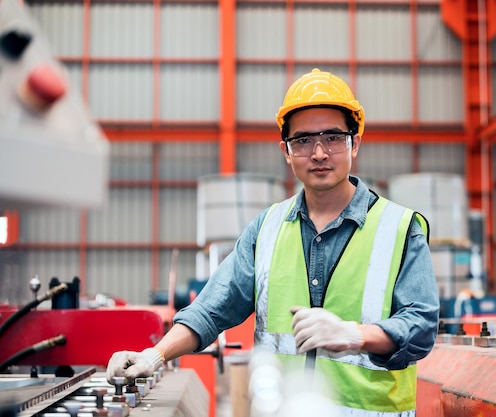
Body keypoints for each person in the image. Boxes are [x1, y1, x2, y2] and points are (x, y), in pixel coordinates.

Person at [106, 68, 440, 417]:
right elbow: (211, 309)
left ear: (354, 143)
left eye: (333, 137)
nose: (320, 153)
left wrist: (356, 335)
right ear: (286, 150)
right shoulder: (267, 228)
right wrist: (154, 355)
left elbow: (420, 327)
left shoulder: (399, 228)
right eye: (304, 140)